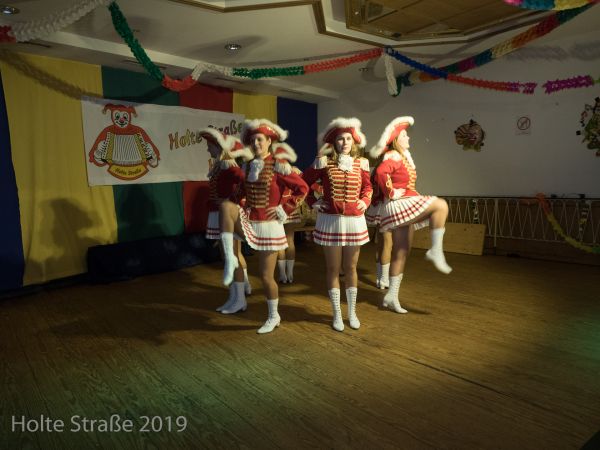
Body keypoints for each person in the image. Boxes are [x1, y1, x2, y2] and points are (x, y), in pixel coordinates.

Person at [219, 119, 308, 334]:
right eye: (253, 140)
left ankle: (273, 316)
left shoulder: (278, 165)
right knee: (226, 207)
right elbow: (239, 194)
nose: (256, 143)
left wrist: (283, 209)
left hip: (269, 226)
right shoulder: (248, 165)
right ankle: (231, 266)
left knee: (266, 277)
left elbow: (302, 188)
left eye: (260, 139)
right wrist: (236, 207)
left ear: (269, 142)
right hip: (250, 222)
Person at [371, 116, 452, 314]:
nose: (409, 138)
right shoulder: (393, 155)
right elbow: (380, 173)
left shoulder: (404, 157)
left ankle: (392, 296)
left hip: (403, 202)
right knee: (441, 205)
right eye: (405, 136)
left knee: (401, 251)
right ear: (396, 140)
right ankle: (435, 250)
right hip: (397, 204)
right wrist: (391, 192)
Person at [303, 117, 372, 332]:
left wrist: (365, 201)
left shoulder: (361, 163)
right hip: (331, 221)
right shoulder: (324, 163)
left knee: (350, 268)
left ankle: (351, 312)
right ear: (334, 142)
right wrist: (314, 202)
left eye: (348, 139)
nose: (345, 143)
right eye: (340, 139)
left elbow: (368, 188)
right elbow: (303, 183)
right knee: (333, 269)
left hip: (354, 221)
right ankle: (336, 314)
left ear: (354, 141)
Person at [200, 128, 253, 314]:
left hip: (228, 214)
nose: (208, 149)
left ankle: (240, 299)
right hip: (218, 213)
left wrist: (233, 200)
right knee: (227, 257)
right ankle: (234, 296)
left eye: (210, 146)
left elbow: (246, 182)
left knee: (233, 257)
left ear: (219, 147)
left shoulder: (230, 166)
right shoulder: (220, 165)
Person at [365, 170, 392, 290]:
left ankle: (380, 278)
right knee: (387, 244)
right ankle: (384, 280)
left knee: (381, 244)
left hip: (378, 206)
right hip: (387, 206)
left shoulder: (377, 170)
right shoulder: (386, 170)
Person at [277, 165, 303, 284]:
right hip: (291, 207)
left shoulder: (274, 169)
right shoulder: (294, 171)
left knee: (280, 243)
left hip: (278, 208)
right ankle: (290, 274)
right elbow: (304, 185)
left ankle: (282, 274)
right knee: (290, 240)